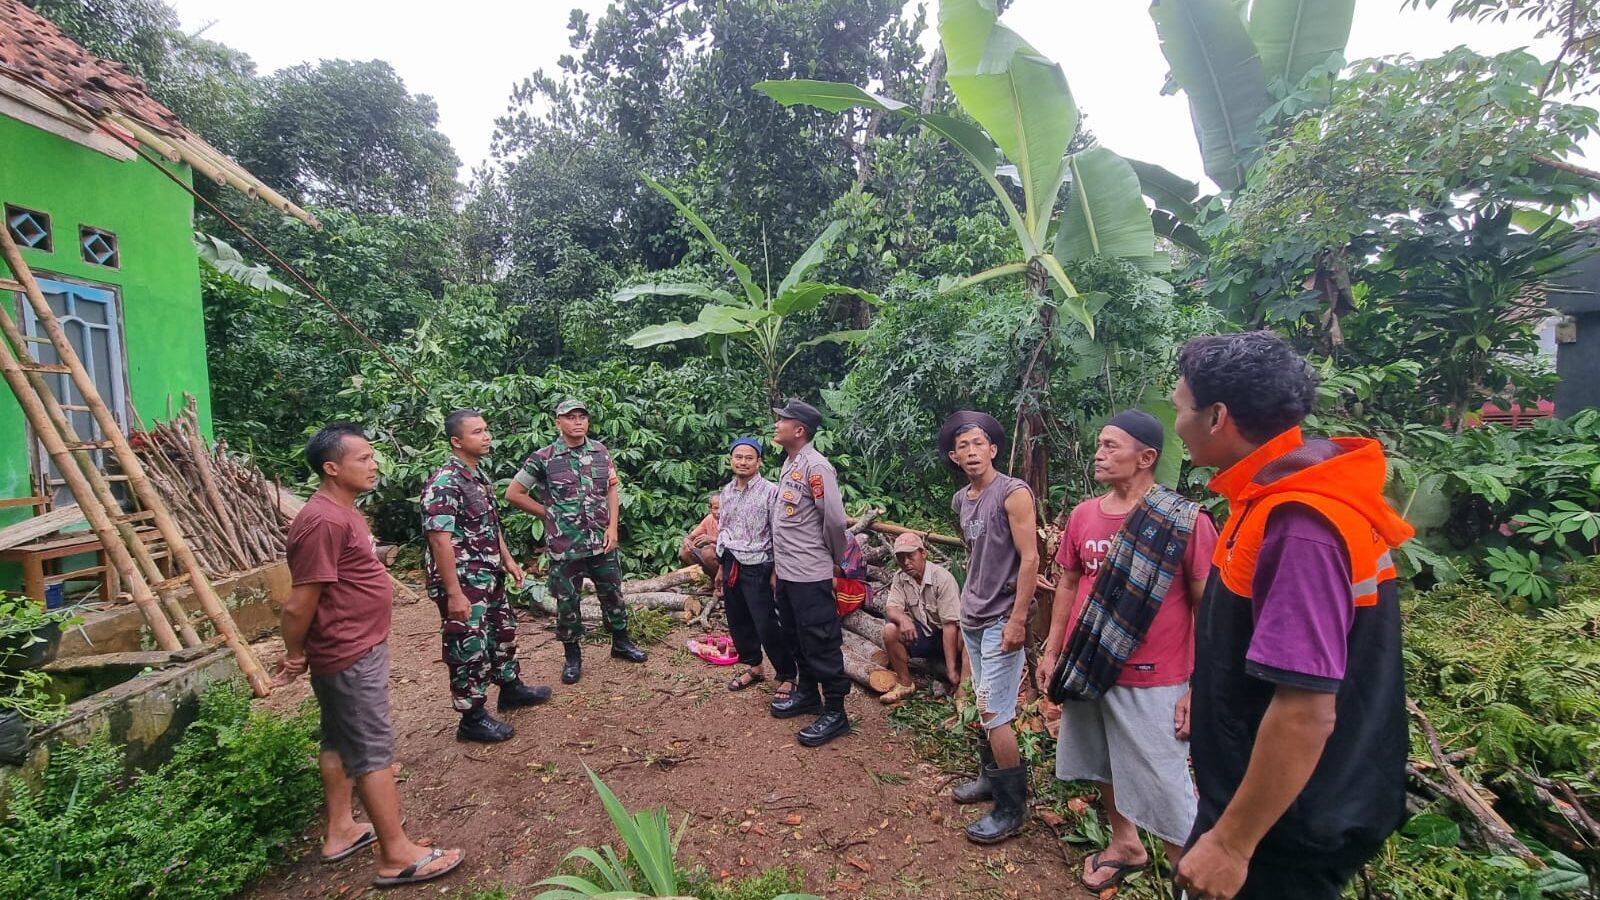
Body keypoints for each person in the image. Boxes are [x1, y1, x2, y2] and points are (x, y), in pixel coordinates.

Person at [1169, 332, 1413, 900]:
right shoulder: (1268, 496)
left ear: (1217, 417)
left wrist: (1232, 843)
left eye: (1181, 409)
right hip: (1258, 802)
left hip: (1283, 829)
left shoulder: (1300, 524)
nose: (1177, 422)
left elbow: (1305, 710)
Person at [276, 422, 463, 888]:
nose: (374, 463)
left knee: (339, 739)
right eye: (363, 458)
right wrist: (294, 655)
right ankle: (395, 855)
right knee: (373, 750)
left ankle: (341, 829)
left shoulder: (344, 511)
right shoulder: (323, 521)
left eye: (372, 455)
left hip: (355, 644)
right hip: (347, 650)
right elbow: (299, 602)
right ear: (331, 467)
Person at [1038, 410, 1217, 892]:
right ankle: (1125, 843)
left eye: (1111, 445)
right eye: (1100, 443)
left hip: (1156, 678)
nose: (1099, 453)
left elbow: (1208, 608)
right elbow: (1068, 583)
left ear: (1147, 457)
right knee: (1102, 761)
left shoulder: (1183, 522)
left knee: (1167, 787)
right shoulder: (1083, 515)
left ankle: (1192, 879)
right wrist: (1052, 650)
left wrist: (1198, 687)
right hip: (1089, 665)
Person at [421, 409, 552, 743]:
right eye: (477, 432)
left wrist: (508, 560)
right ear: (456, 441)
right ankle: (472, 717)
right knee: (468, 645)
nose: (486, 436)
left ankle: (511, 689)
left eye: (486, 430)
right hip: (463, 578)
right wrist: (453, 593)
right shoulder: (446, 482)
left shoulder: (476, 477)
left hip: (487, 572)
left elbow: (489, 526)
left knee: (502, 631)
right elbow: (439, 539)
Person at [941, 410, 1039, 845]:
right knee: (984, 703)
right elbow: (977, 553)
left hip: (1002, 618)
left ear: (993, 449)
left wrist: (1018, 618)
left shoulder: (1013, 493)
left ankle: (1012, 807)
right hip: (973, 616)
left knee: (995, 712)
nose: (972, 451)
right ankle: (989, 778)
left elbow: (1030, 558)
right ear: (953, 456)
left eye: (979, 443)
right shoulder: (962, 499)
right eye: (963, 446)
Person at [506, 398, 648, 685]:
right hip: (565, 546)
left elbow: (611, 487)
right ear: (558, 422)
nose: (578, 421)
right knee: (567, 602)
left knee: (612, 594)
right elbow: (514, 493)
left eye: (582, 416)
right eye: (570, 417)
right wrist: (549, 514)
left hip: (600, 541)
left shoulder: (599, 451)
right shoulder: (543, 457)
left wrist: (613, 527)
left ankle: (621, 643)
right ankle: (573, 657)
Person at [768, 399, 852, 747]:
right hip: (788, 572)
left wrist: (834, 559)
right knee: (795, 636)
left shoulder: (817, 467)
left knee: (821, 640)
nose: (776, 425)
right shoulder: (790, 464)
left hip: (810, 572)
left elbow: (834, 520)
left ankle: (835, 711)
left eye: (782, 421)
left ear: (799, 430)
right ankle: (806, 693)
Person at [712, 437, 794, 694]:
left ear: (759, 462)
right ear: (731, 460)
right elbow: (724, 530)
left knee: (766, 622)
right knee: (738, 619)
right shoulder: (727, 491)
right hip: (731, 560)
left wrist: (777, 570)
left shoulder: (771, 492)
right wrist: (720, 567)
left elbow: (779, 532)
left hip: (759, 564)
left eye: (749, 458)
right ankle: (754, 666)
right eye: (738, 457)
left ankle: (788, 674)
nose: (743, 462)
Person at [878, 532, 962, 705]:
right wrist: (903, 619)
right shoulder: (901, 578)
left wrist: (951, 669)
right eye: (901, 558)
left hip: (949, 636)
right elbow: (892, 608)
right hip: (926, 634)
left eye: (910, 556)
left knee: (965, 638)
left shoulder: (942, 579)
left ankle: (960, 680)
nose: (906, 562)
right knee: (890, 630)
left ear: (923, 553)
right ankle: (905, 683)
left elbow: (949, 625)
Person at [679, 494, 721, 581]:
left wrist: (712, 539)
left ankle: (725, 583)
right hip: (714, 557)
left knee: (707, 551)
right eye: (716, 508)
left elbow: (736, 543)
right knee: (685, 552)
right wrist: (687, 541)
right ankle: (711, 580)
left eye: (722, 508)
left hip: (729, 559)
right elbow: (690, 537)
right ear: (710, 509)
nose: (719, 512)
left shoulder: (732, 519)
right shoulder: (709, 519)